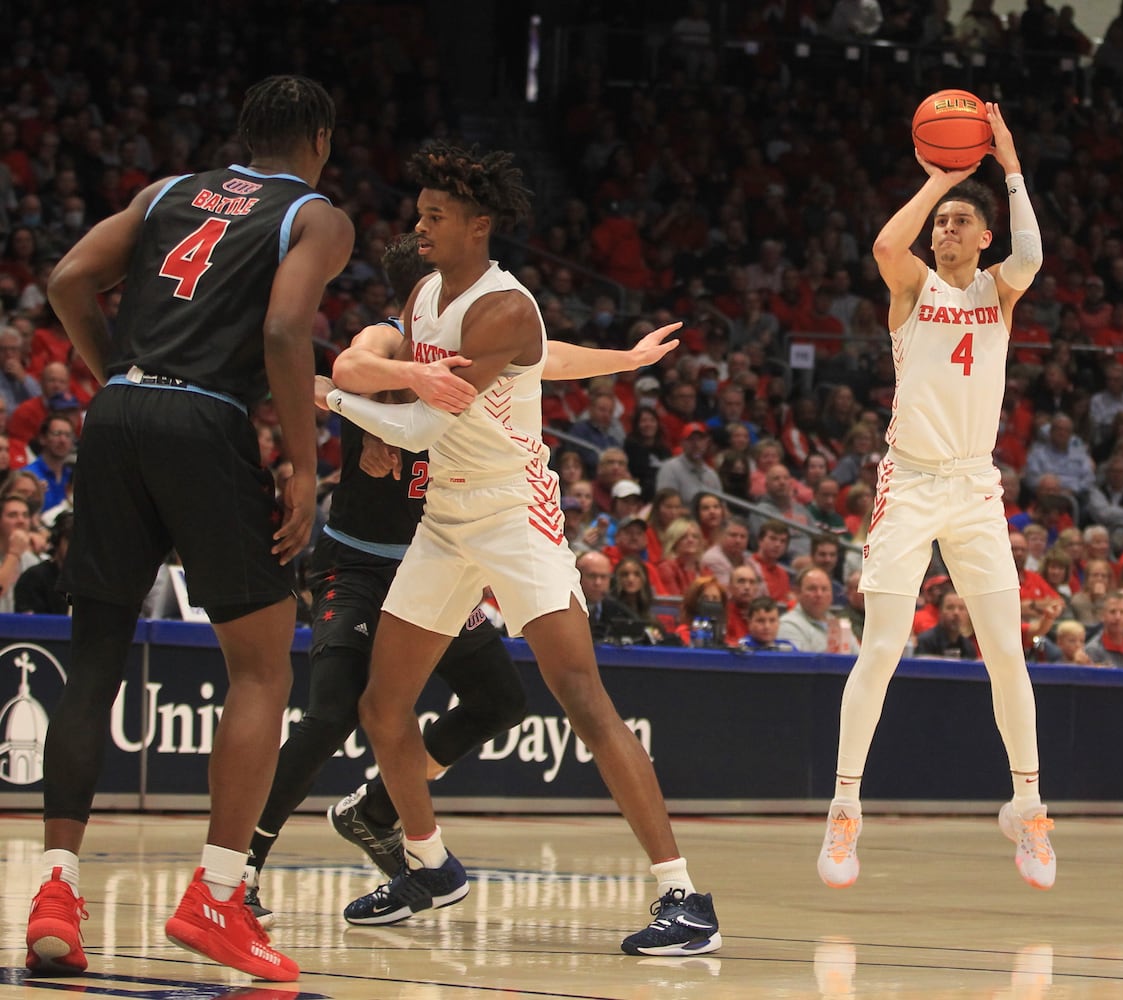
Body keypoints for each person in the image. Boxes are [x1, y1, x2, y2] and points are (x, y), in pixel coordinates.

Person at [319, 142, 721, 956]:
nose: (419, 224)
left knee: (579, 694)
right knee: (381, 707)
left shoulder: (506, 305)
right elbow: (538, 364)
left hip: (515, 513)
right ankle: (430, 866)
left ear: (479, 225)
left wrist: (328, 395)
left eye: (436, 215)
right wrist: (623, 359)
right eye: (420, 211)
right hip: (444, 519)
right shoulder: (427, 292)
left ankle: (685, 896)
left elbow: (425, 421)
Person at [26, 75, 355, 982]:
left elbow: (66, 281)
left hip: (120, 412)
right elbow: (289, 332)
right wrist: (301, 460)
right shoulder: (318, 215)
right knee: (259, 662)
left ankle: (54, 890)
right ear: (319, 138)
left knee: (93, 654)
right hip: (206, 421)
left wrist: (118, 378)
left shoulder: (166, 192)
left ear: (242, 133)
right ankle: (215, 895)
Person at [242, 231, 530, 926]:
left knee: (499, 699)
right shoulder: (387, 340)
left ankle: (372, 812)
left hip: (433, 567)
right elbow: (346, 367)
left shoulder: (480, 348)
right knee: (334, 711)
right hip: (360, 563)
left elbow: (547, 360)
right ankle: (238, 866)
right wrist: (398, 389)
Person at [818, 104, 1057, 894]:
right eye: (941, 222)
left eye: (959, 220)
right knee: (881, 645)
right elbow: (888, 243)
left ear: (982, 237)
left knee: (1005, 653)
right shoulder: (912, 286)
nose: (944, 229)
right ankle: (843, 808)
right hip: (910, 483)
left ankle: (1025, 805)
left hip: (974, 486)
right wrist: (939, 179)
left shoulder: (1001, 288)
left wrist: (1010, 168)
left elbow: (1032, 249)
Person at [1084, 591, 1123, 668]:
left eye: (1122, 612)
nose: (1118, 617)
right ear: (1102, 616)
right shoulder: (1093, 650)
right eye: (1112, 612)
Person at [914, 591, 978, 659]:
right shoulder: (925, 641)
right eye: (950, 607)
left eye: (961, 608)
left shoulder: (969, 647)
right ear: (940, 612)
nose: (956, 613)